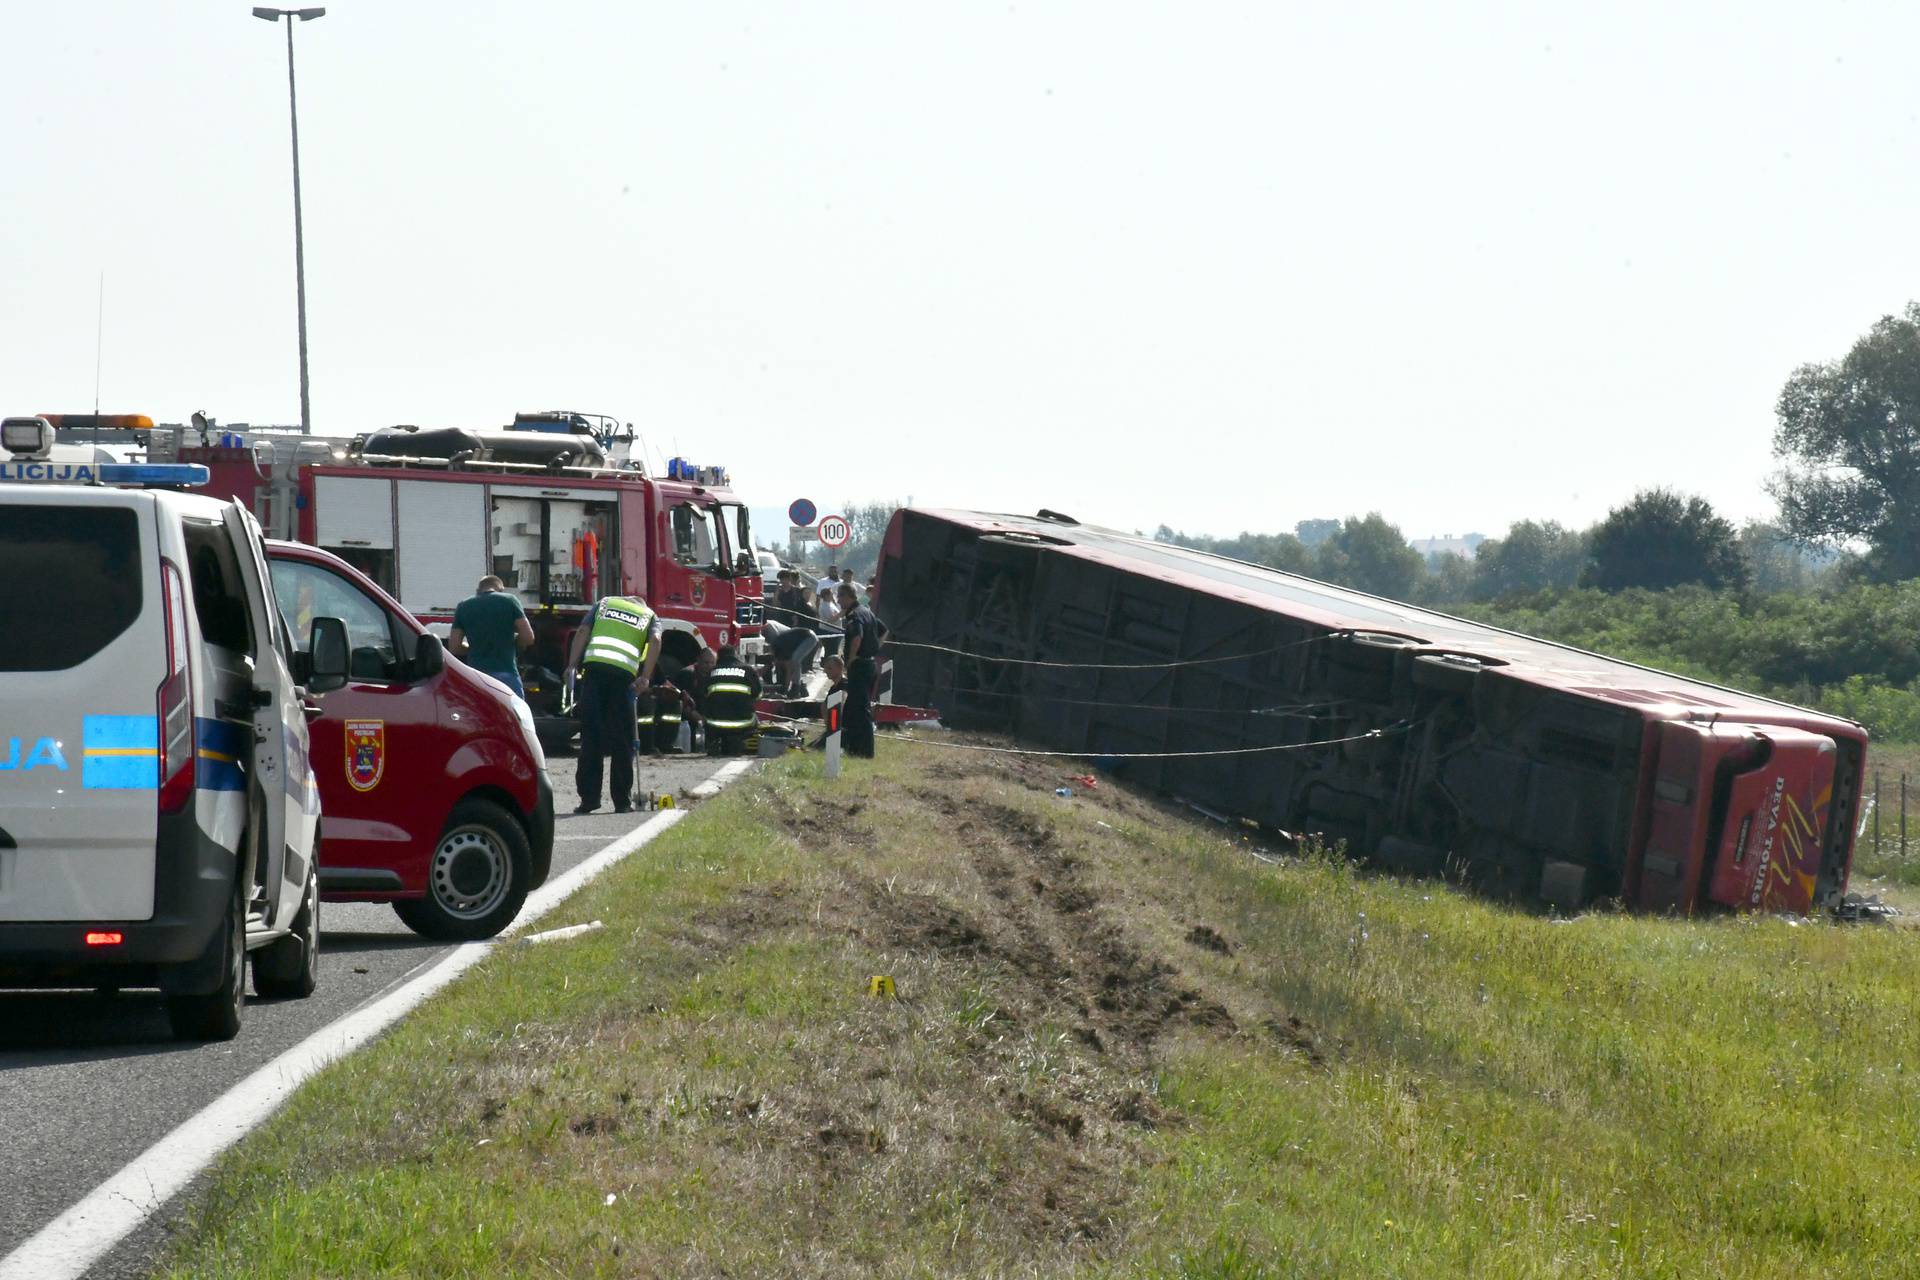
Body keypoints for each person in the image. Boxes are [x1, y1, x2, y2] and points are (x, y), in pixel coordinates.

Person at [564, 593, 659, 814]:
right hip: (623, 679)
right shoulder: (648, 615)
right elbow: (655, 641)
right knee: (623, 740)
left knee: (591, 738)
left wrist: (572, 665)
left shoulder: (604, 604)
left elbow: (582, 631)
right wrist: (645, 677)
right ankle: (622, 802)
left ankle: (589, 799)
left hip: (594, 674)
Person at [448, 576, 535, 697]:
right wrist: (517, 645)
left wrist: (475, 649)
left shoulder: (464, 605)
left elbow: (454, 647)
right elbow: (528, 637)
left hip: (477, 677)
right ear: (501, 589)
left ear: (478, 590)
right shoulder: (510, 600)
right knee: (512, 714)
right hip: (507, 673)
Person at [837, 582, 883, 758]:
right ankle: (851, 747)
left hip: (860, 667)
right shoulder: (866, 611)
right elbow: (884, 630)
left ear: (847, 596)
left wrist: (851, 658)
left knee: (861, 710)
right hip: (870, 664)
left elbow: (857, 637)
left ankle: (866, 751)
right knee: (851, 708)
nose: (838, 600)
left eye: (840, 597)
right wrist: (874, 648)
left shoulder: (854, 615)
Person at [699, 645, 762, 754]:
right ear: (735, 655)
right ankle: (743, 743)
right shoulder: (748, 670)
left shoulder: (712, 672)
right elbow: (758, 695)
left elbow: (703, 695)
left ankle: (714, 741)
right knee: (755, 718)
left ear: (718, 657)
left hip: (714, 724)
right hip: (743, 724)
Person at [763, 619, 820, 696]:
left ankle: (796, 688)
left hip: (809, 637)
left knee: (795, 661)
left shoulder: (778, 646)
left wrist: (785, 688)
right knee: (793, 662)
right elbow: (779, 664)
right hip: (802, 638)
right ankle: (801, 688)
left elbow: (789, 669)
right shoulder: (777, 648)